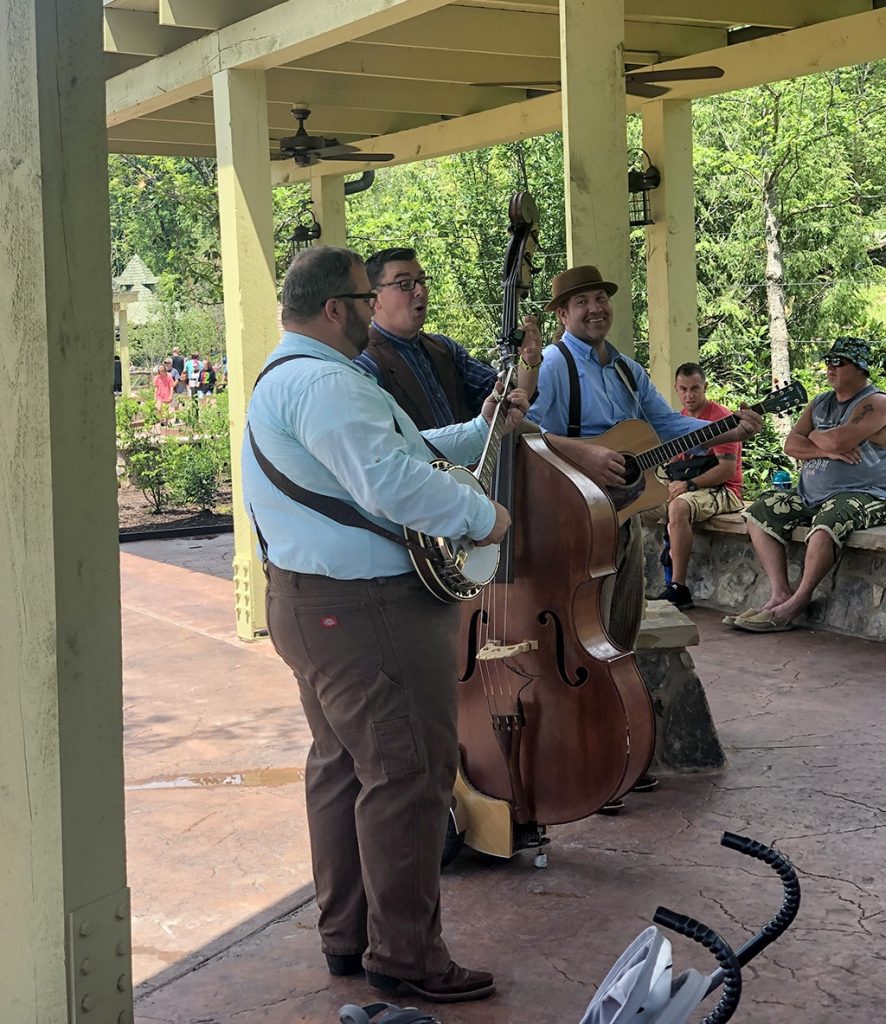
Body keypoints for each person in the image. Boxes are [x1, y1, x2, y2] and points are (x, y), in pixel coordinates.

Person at [242, 245, 529, 1004]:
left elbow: (398, 451)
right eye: (368, 298)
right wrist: (485, 516)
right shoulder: (329, 383)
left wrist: (482, 430)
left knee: (342, 768)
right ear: (337, 306)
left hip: (313, 604)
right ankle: (406, 957)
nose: (376, 310)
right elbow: (393, 480)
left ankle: (348, 936)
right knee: (406, 777)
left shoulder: (292, 378)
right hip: (366, 611)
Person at [527, 265, 762, 650]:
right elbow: (523, 433)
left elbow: (668, 424)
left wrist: (728, 429)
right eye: (581, 301)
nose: (595, 308)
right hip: (569, 515)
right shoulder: (553, 363)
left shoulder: (626, 370)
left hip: (621, 514)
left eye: (600, 298)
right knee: (579, 622)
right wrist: (583, 453)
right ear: (562, 315)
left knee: (622, 618)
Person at [732, 337, 886, 632]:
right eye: (828, 361)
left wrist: (815, 435)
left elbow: (841, 439)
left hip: (865, 494)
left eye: (838, 362)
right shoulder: (820, 402)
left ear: (860, 367)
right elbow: (791, 444)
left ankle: (799, 600)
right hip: (810, 493)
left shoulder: (875, 403)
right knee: (761, 511)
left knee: (828, 521)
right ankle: (780, 592)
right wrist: (824, 448)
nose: (830, 367)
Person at [354, 246, 542, 430]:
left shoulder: (444, 348)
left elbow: (508, 400)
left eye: (422, 280)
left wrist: (529, 359)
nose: (420, 291)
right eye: (405, 284)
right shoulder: (365, 364)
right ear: (374, 298)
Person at [654, 362, 745, 611]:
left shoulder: (722, 419)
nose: (689, 395)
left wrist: (688, 485)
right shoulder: (679, 420)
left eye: (695, 389)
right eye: (683, 389)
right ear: (676, 389)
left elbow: (726, 470)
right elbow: (674, 463)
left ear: (705, 387)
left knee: (680, 507)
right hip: (688, 485)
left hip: (724, 490)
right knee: (637, 502)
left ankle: (678, 587)